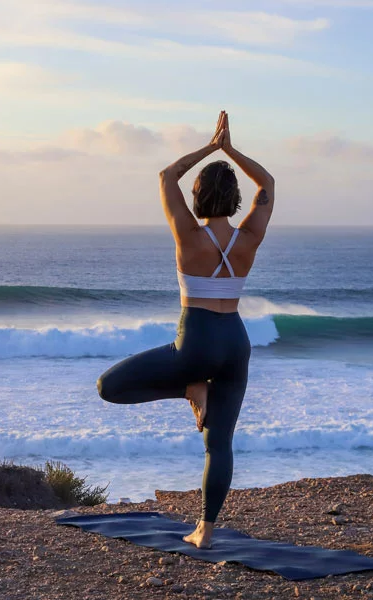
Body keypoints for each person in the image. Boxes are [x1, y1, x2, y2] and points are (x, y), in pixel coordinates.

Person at [96, 111, 274, 549]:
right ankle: (206, 531)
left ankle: (190, 389)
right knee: (220, 445)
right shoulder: (249, 236)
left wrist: (211, 148)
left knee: (108, 386)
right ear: (234, 198)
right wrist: (232, 149)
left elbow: (166, 174)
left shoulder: (187, 236)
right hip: (235, 341)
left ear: (196, 196)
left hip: (194, 342)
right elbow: (267, 182)